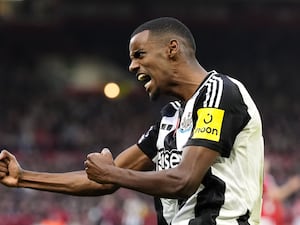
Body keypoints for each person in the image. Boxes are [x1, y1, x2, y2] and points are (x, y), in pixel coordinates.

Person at [0, 17, 264, 225]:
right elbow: (101, 179)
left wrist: (113, 173)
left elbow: (185, 180)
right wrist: (23, 177)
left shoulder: (219, 92)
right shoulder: (171, 116)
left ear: (172, 49)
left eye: (139, 54)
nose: (132, 66)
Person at [261, 158, 300, 225]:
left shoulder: (268, 178)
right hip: (263, 217)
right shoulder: (260, 179)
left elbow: (277, 196)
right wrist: (290, 186)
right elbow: (275, 195)